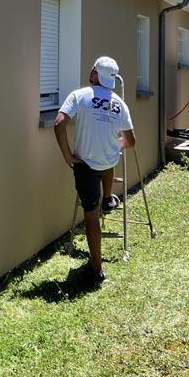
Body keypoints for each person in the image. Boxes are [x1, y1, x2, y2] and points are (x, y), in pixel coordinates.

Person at [53, 56, 135, 284]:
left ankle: (96, 269)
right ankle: (108, 198)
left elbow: (59, 123)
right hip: (108, 162)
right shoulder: (120, 103)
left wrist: (68, 156)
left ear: (94, 74)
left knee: (91, 217)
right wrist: (114, 145)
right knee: (108, 164)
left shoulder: (79, 96)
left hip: (86, 167)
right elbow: (131, 140)